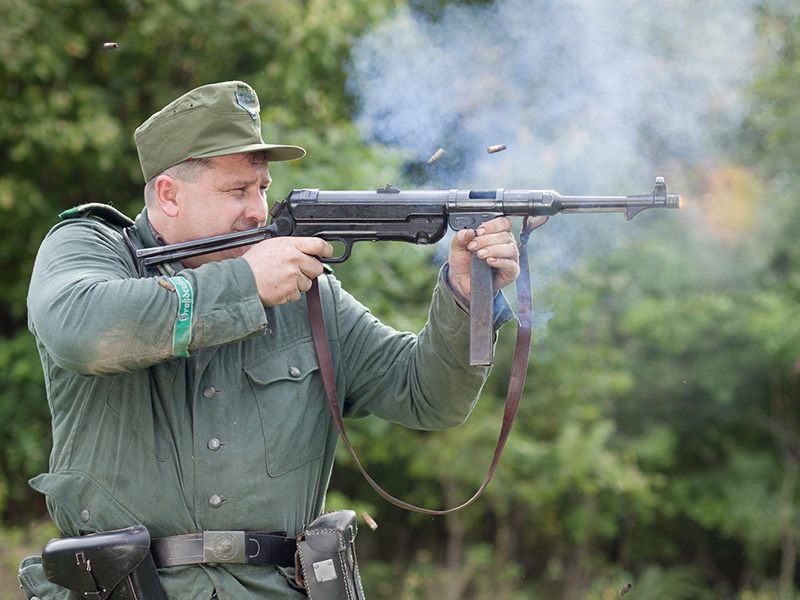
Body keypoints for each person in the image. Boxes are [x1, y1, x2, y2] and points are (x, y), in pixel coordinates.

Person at [19, 80, 531, 600]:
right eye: (237, 191)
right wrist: (244, 285)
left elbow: (429, 398)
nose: (259, 211)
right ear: (169, 195)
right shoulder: (91, 248)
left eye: (261, 188)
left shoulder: (305, 292)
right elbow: (80, 332)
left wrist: (466, 297)